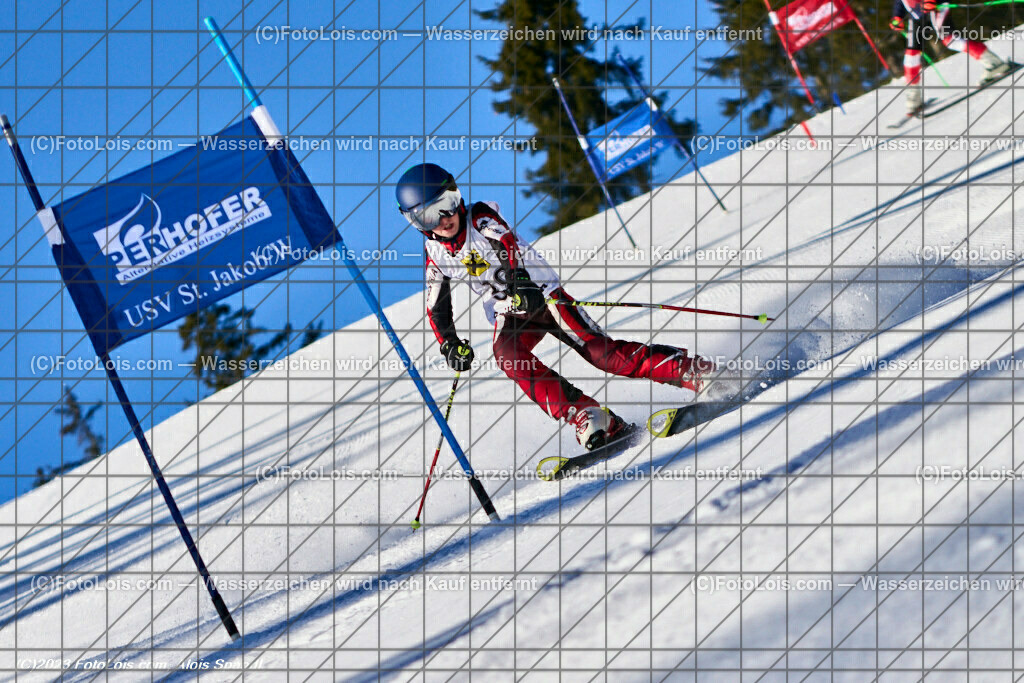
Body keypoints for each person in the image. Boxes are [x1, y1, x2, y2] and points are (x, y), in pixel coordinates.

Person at [396, 162, 727, 451]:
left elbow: (506, 243)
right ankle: (589, 416)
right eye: (428, 215)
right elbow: (435, 308)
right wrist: (449, 344)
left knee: (602, 355)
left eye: (447, 203)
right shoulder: (434, 254)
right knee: (508, 356)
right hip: (509, 313)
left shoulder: (480, 217)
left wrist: (520, 281)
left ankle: (692, 370)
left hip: (544, 295)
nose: (443, 219)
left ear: (458, 196)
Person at [891, 0, 1011, 113]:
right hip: (917, 15)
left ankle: (995, 64)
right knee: (911, 55)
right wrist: (898, 16)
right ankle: (914, 99)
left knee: (951, 40)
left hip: (937, 6)